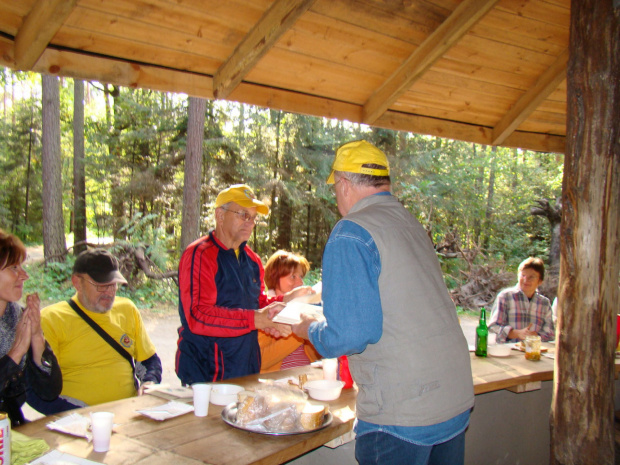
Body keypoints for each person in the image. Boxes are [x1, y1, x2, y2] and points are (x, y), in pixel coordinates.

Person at [292, 140, 474, 465]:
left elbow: (349, 334)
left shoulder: (351, 232)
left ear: (344, 184)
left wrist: (309, 329)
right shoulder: (410, 224)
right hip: (453, 397)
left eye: (336, 188)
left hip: (403, 411)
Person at [176, 184, 312, 384]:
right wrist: (256, 319)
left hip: (246, 366)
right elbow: (197, 315)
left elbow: (255, 303)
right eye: (243, 215)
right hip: (206, 371)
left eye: (253, 217)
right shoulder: (200, 254)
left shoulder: (252, 260)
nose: (250, 222)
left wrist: (285, 301)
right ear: (220, 216)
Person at [29, 249, 162, 414]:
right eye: (101, 285)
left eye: (113, 285)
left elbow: (149, 361)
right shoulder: (52, 319)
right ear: (77, 282)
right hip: (77, 420)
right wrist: (84, 414)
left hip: (129, 413)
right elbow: (39, 389)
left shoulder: (127, 309)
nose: (109, 292)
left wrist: (150, 383)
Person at [0, 230, 62, 426]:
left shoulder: (16, 316)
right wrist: (16, 351)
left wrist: (37, 338)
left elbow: (49, 392)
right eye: (14, 267)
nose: (24, 275)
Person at [259, 250, 320, 373]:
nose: (300, 282)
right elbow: (260, 360)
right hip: (276, 385)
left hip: (309, 380)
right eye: (293, 276)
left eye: (301, 277)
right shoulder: (264, 312)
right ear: (274, 276)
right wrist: (300, 329)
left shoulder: (303, 308)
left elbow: (317, 356)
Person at [488, 257, 555, 343]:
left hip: (533, 352)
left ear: (540, 281)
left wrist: (536, 336)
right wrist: (514, 333)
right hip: (508, 352)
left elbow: (550, 334)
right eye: (523, 275)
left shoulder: (544, 303)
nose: (526, 280)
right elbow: (493, 327)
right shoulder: (505, 297)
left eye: (532, 277)